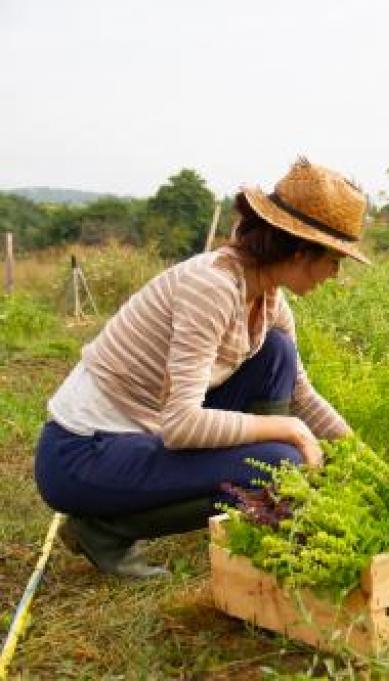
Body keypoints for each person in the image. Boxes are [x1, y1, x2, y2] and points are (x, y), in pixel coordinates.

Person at [34, 158, 369, 577]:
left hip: (142, 432)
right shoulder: (211, 288)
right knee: (282, 461)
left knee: (277, 353)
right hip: (81, 454)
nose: (335, 275)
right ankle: (104, 530)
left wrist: (362, 460)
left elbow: (301, 394)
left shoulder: (268, 298)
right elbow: (181, 426)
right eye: (334, 261)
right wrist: (292, 431)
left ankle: (264, 504)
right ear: (301, 252)